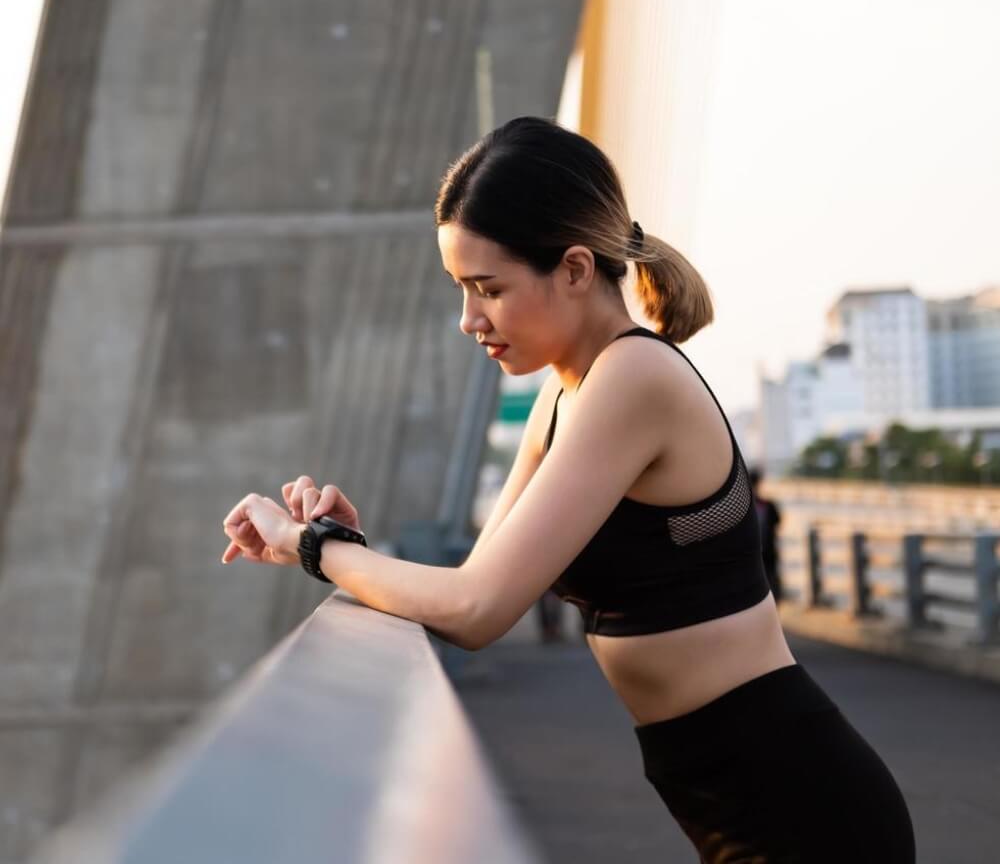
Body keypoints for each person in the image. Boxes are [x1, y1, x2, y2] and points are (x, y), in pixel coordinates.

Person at [219, 116, 916, 862]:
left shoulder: (635, 377)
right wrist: (346, 548)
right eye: (461, 289)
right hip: (728, 799)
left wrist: (311, 547)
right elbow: (474, 589)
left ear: (577, 270)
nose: (468, 319)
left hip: (801, 805)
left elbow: (479, 611)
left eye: (488, 288)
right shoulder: (564, 394)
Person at [749, 467, 783, 602]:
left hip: (751, 557)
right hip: (769, 555)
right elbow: (778, 522)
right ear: (759, 483)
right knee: (772, 588)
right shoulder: (768, 505)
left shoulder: (742, 508)